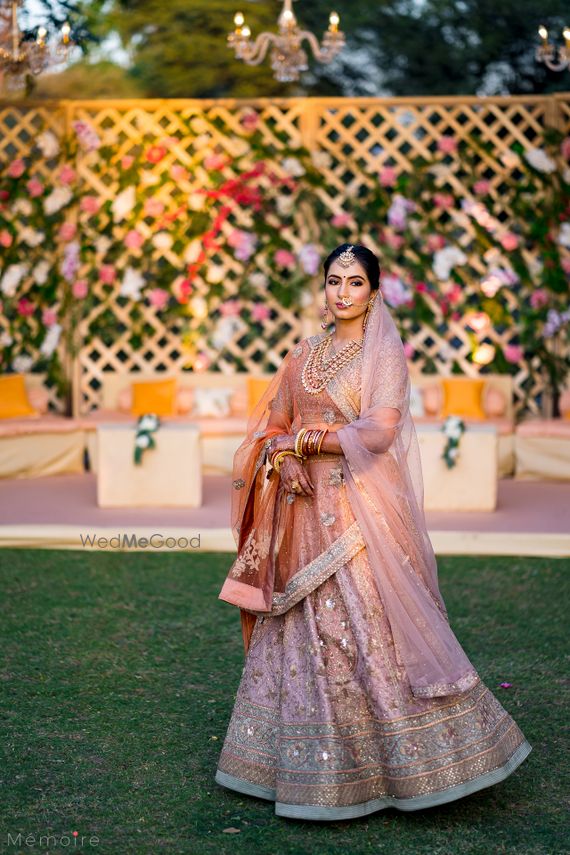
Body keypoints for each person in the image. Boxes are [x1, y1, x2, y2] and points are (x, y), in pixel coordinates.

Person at [214, 242, 532, 821]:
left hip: (357, 511)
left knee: (366, 625)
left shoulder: (380, 354)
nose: (342, 293)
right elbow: (277, 422)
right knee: (298, 629)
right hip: (299, 510)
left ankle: (405, 765)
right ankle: (297, 763)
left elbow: (380, 431)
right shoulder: (302, 352)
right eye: (335, 281)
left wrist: (306, 443)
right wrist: (283, 456)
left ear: (372, 291)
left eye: (355, 283)